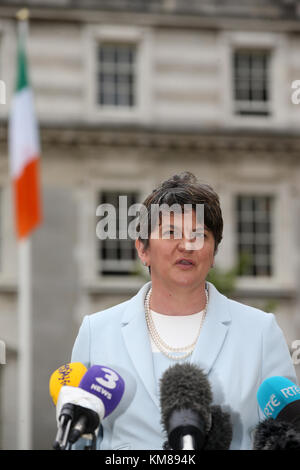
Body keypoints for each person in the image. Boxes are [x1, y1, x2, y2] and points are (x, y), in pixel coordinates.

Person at [71, 171, 297, 450]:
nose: (186, 245)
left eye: (199, 235)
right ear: (143, 249)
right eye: (171, 233)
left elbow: (286, 436)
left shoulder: (261, 332)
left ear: (213, 253)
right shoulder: (97, 331)